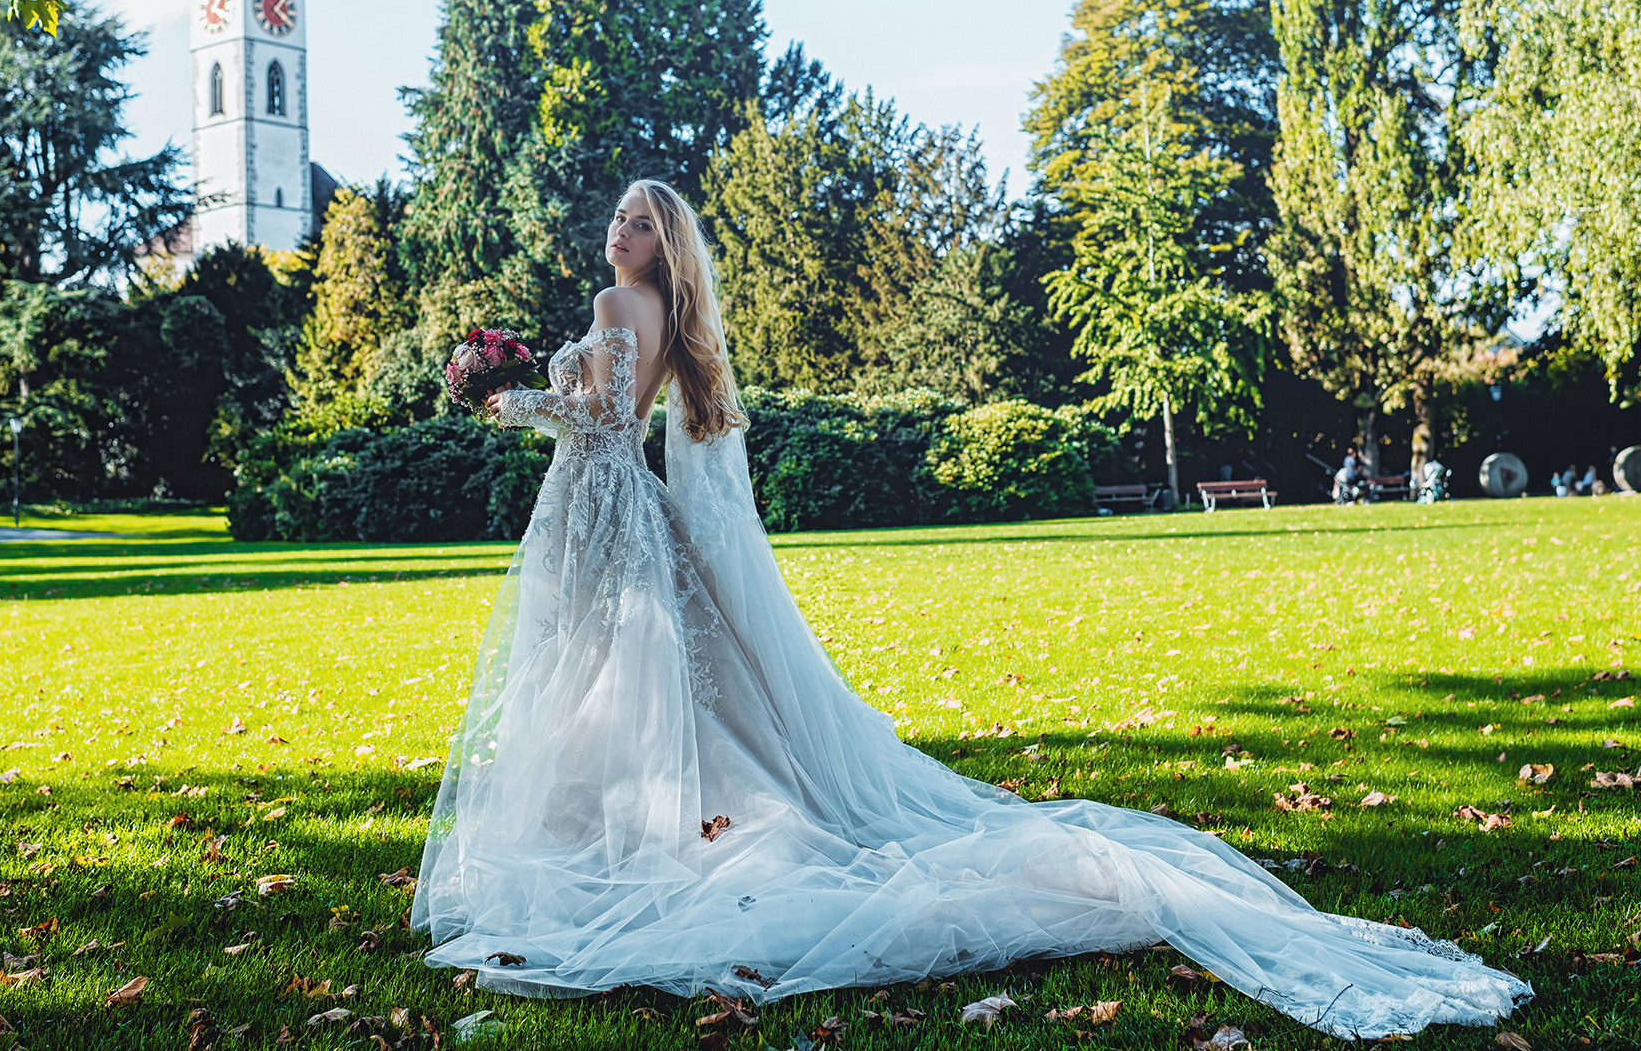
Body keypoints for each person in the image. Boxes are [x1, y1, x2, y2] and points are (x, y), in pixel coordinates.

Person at [408, 179, 1531, 1040]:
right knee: (616, 682)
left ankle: (613, 842)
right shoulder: (665, 317)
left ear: (665, 246)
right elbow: (624, 407)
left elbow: (599, 420)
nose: (620, 233)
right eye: (618, 221)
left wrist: (500, 398)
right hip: (622, 514)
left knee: (596, 676)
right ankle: (624, 825)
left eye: (641, 224)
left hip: (600, 504)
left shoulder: (617, 305)